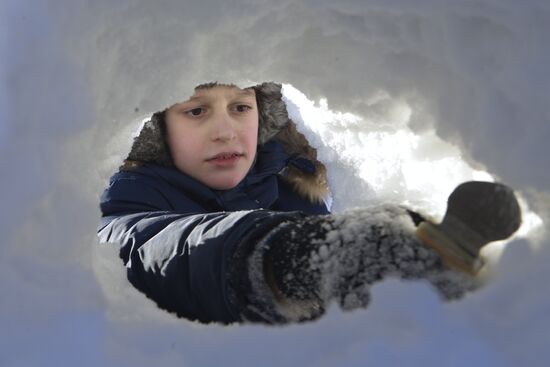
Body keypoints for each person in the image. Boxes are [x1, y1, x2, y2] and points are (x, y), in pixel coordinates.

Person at [97, 82, 521, 324]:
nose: (226, 131)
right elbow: (145, 248)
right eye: (195, 111)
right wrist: (288, 256)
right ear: (157, 128)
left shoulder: (295, 189)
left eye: (241, 107)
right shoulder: (131, 195)